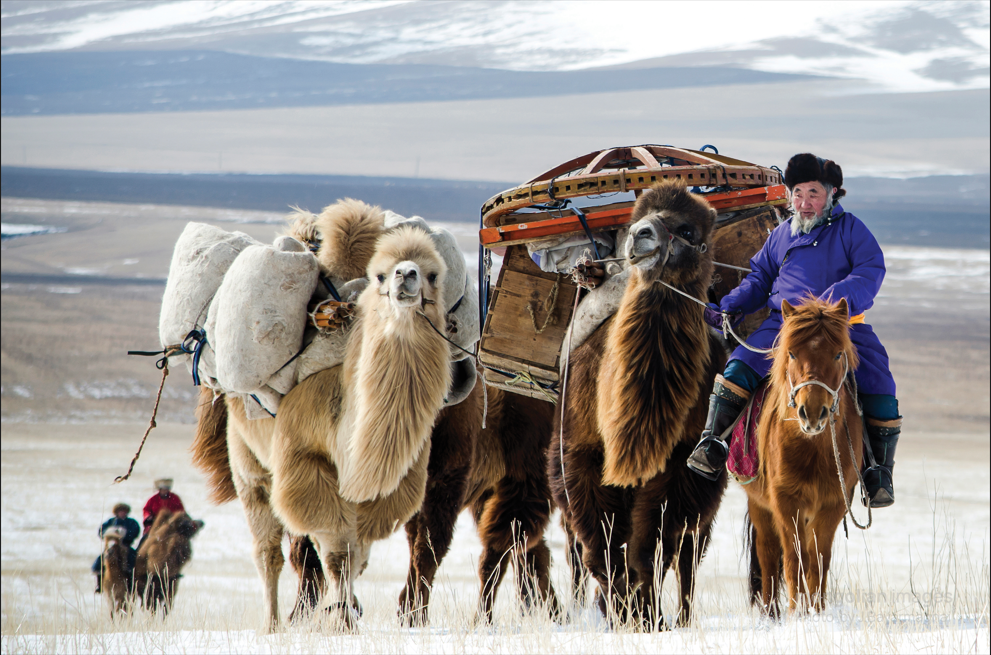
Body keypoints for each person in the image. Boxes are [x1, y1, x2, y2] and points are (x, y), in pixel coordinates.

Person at [686, 153, 902, 508]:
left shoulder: (852, 230)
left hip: (840, 324)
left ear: (831, 194)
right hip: (786, 325)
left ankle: (878, 472)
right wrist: (731, 306)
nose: (804, 202)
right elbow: (760, 278)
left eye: (813, 193)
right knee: (739, 366)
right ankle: (713, 442)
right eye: (797, 193)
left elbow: (869, 271)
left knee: (879, 380)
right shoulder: (781, 234)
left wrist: (833, 301)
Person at [92, 502, 141, 592]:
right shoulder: (111, 522)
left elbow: (135, 532)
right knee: (100, 561)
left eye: (124, 511)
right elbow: (102, 531)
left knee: (132, 559)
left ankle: (131, 584)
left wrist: (125, 536)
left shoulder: (131, 522)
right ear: (116, 512)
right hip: (111, 546)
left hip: (125, 546)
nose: (123, 513)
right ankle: (100, 584)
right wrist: (109, 534)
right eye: (120, 511)